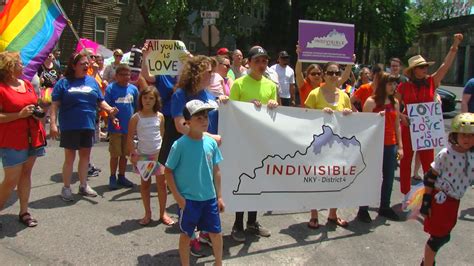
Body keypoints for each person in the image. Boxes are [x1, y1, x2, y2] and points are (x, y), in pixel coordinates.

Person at [396, 33, 463, 197]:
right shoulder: (403, 87)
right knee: (405, 162)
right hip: (408, 127)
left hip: (427, 129)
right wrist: (400, 116)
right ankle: (406, 194)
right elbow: (393, 105)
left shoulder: (432, 81)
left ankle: (429, 195)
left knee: (429, 163)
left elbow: (445, 66)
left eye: (426, 66)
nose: (425, 69)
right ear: (413, 70)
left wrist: (455, 45)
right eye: (421, 67)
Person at [50, 53, 118, 201]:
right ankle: (66, 188)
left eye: (87, 63)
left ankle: (83, 185)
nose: (86, 66)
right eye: (82, 64)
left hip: (88, 125)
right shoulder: (63, 83)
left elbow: (100, 101)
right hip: (70, 125)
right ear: (73, 66)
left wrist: (110, 109)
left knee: (85, 157)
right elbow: (54, 105)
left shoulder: (92, 82)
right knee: (70, 158)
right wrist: (53, 124)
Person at [165, 100, 224, 266]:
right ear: (187, 121)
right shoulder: (179, 145)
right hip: (188, 200)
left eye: (206, 116)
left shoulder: (211, 143)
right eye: (199, 117)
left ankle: (218, 262)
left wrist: (219, 196)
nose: (204, 120)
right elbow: (168, 171)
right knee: (186, 235)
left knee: (216, 233)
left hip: (209, 198)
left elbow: (216, 170)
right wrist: (179, 198)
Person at [229, 46, 278, 241]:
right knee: (243, 182)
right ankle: (237, 224)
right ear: (248, 63)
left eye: (264, 61)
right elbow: (231, 113)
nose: (261, 64)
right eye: (257, 61)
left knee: (258, 182)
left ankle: (252, 222)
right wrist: (247, 109)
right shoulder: (239, 84)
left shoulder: (271, 85)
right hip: (243, 142)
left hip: (262, 143)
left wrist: (274, 106)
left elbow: (276, 113)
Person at [418, 113, 473, 266]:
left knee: (445, 235)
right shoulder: (446, 154)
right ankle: (427, 264)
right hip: (439, 200)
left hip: (454, 201)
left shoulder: (471, 155)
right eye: (463, 135)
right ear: (455, 135)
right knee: (437, 238)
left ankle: (427, 261)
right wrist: (427, 200)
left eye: (471, 135)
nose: (467, 139)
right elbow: (430, 176)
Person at [304, 59, 354, 228]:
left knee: (336, 180)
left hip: (338, 146)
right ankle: (314, 214)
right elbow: (306, 120)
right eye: (330, 72)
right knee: (315, 180)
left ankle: (333, 214)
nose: (334, 76)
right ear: (324, 74)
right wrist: (320, 114)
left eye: (337, 73)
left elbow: (352, 120)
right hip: (318, 146)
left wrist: (348, 114)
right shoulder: (314, 94)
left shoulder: (345, 96)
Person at [0, 51, 46, 228]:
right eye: (19, 63)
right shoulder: (2, 88)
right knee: (11, 180)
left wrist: (37, 111)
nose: (23, 66)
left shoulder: (26, 84)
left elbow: (34, 104)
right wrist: (18, 115)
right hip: (12, 139)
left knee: (26, 174)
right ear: (10, 67)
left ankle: (24, 211)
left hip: (33, 136)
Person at [127, 86, 174, 226]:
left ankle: (162, 213)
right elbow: (129, 137)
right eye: (145, 98)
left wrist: (164, 153)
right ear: (141, 99)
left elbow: (162, 134)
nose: (147, 101)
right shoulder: (136, 117)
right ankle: (147, 213)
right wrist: (133, 153)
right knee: (145, 184)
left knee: (162, 184)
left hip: (158, 155)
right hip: (144, 156)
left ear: (156, 100)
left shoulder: (160, 116)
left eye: (151, 98)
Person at [362, 73, 403, 221]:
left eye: (395, 84)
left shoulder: (395, 102)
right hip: (374, 145)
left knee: (389, 178)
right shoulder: (371, 102)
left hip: (390, 145)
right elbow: (363, 125)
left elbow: (397, 125)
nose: (393, 87)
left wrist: (400, 146)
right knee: (370, 177)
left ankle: (385, 206)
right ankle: (363, 208)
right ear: (383, 85)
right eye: (390, 84)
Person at [104, 64, 138, 190]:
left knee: (125, 154)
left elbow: (136, 108)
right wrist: (112, 118)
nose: (126, 77)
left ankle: (122, 176)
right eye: (122, 75)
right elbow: (106, 107)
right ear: (116, 76)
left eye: (128, 75)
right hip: (115, 128)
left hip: (128, 129)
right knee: (115, 154)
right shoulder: (111, 88)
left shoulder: (133, 89)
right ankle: (112, 176)